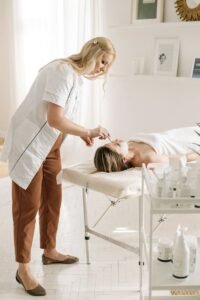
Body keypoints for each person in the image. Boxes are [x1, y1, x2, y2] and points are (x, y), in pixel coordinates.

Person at [1, 37, 116, 296]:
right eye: (103, 62)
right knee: (27, 206)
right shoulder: (62, 71)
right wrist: (88, 130)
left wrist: (81, 133)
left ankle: (50, 251)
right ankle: (23, 268)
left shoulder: (75, 78)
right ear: (93, 52)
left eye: (106, 67)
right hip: (29, 142)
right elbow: (54, 118)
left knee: (53, 197)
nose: (102, 69)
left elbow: (62, 118)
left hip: (50, 145)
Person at [94, 127, 199, 172]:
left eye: (112, 141)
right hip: (193, 143)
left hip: (186, 132)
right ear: (123, 159)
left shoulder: (130, 143)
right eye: (116, 144)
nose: (116, 139)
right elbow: (184, 158)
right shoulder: (149, 160)